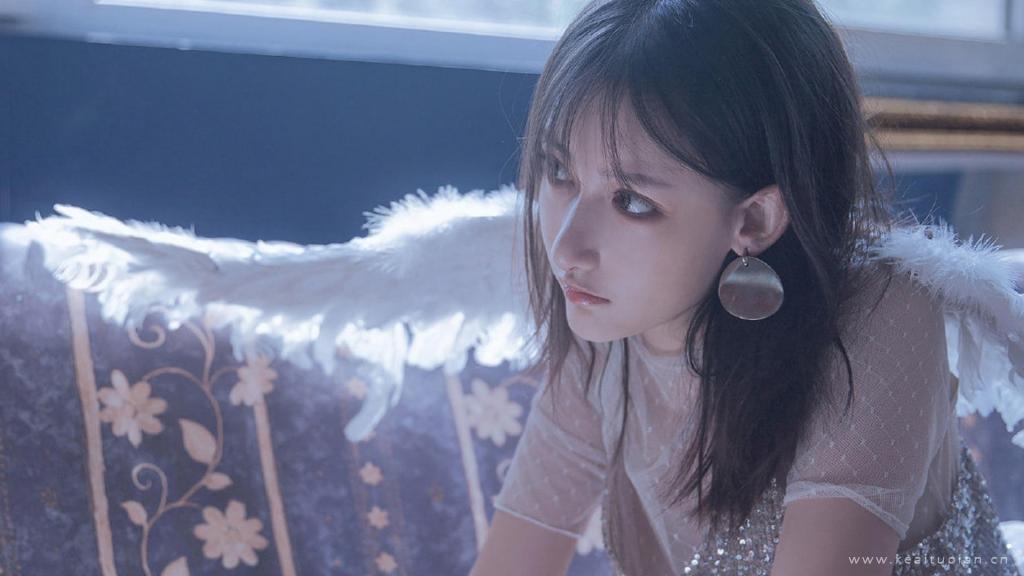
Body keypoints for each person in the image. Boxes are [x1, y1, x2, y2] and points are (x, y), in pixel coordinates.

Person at [469, 0, 1021, 574]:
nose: (566, 250)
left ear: (755, 219)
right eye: (559, 171)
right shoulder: (605, 328)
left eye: (631, 201)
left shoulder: (881, 313)